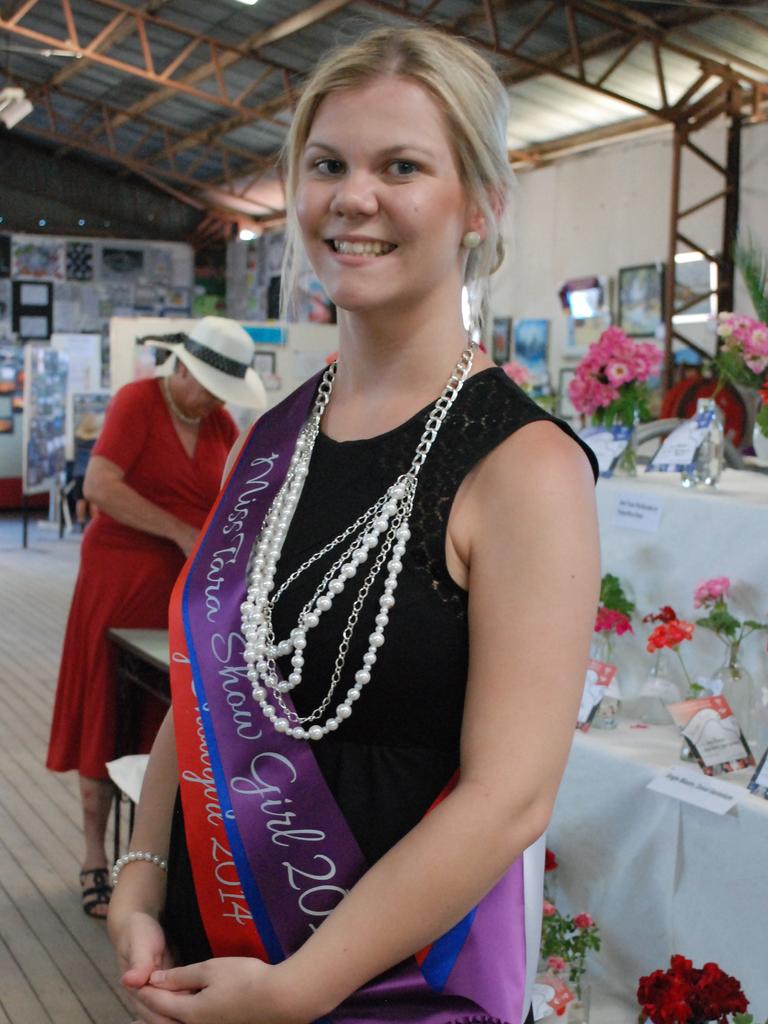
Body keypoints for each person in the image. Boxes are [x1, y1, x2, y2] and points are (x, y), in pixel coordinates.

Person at [107, 27, 600, 1024]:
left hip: (386, 992)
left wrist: (295, 993)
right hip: (217, 974)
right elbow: (209, 680)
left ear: (481, 203)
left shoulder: (524, 469)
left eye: (401, 166)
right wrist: (140, 874)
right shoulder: (269, 442)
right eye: (327, 164)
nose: (354, 197)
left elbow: (510, 799)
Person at [47, 316, 266, 918]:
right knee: (104, 714)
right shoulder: (137, 403)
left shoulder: (220, 423)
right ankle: (95, 856)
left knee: (165, 725)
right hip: (118, 580)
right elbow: (100, 484)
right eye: (213, 384)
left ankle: (148, 865)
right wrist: (178, 531)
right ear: (185, 370)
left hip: (182, 594)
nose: (220, 398)